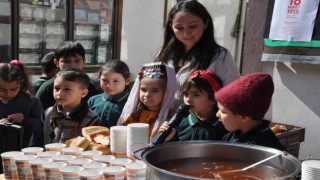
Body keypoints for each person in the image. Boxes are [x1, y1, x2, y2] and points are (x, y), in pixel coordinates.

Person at [155, 1, 240, 105]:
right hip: (163, 120)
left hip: (199, 120)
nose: (186, 33)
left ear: (206, 23)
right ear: (171, 27)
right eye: (179, 28)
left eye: (193, 26)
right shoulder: (163, 55)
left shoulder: (220, 56)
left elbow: (232, 95)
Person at [215, 72, 286, 151]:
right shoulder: (231, 136)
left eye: (223, 112)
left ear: (244, 117)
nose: (217, 114)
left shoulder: (263, 148)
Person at [31, 69, 99, 146]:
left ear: (83, 93)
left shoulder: (91, 119)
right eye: (56, 88)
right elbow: (35, 142)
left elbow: (94, 148)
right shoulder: (47, 113)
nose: (60, 93)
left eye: (67, 89)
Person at [158, 70, 228, 142]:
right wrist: (166, 139)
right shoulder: (181, 120)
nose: (188, 100)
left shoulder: (224, 125)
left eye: (196, 95)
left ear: (213, 99)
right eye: (186, 94)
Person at [117, 62, 177, 141]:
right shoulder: (136, 115)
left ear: (166, 92)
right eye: (143, 89)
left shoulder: (171, 119)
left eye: (155, 90)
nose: (147, 95)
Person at [35, 41, 101, 110]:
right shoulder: (47, 88)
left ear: (84, 62)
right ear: (56, 62)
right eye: (66, 61)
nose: (72, 65)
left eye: (77, 61)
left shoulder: (94, 86)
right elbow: (38, 115)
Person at [0, 60, 43, 148]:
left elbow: (42, 124)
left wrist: (25, 119)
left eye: (13, 89)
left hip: (23, 148)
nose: (8, 94)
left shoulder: (31, 101)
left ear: (21, 82)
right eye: (2, 90)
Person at [88, 59, 131, 128]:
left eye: (116, 81)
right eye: (105, 80)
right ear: (99, 78)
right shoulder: (93, 100)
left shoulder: (132, 103)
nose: (109, 85)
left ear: (127, 80)